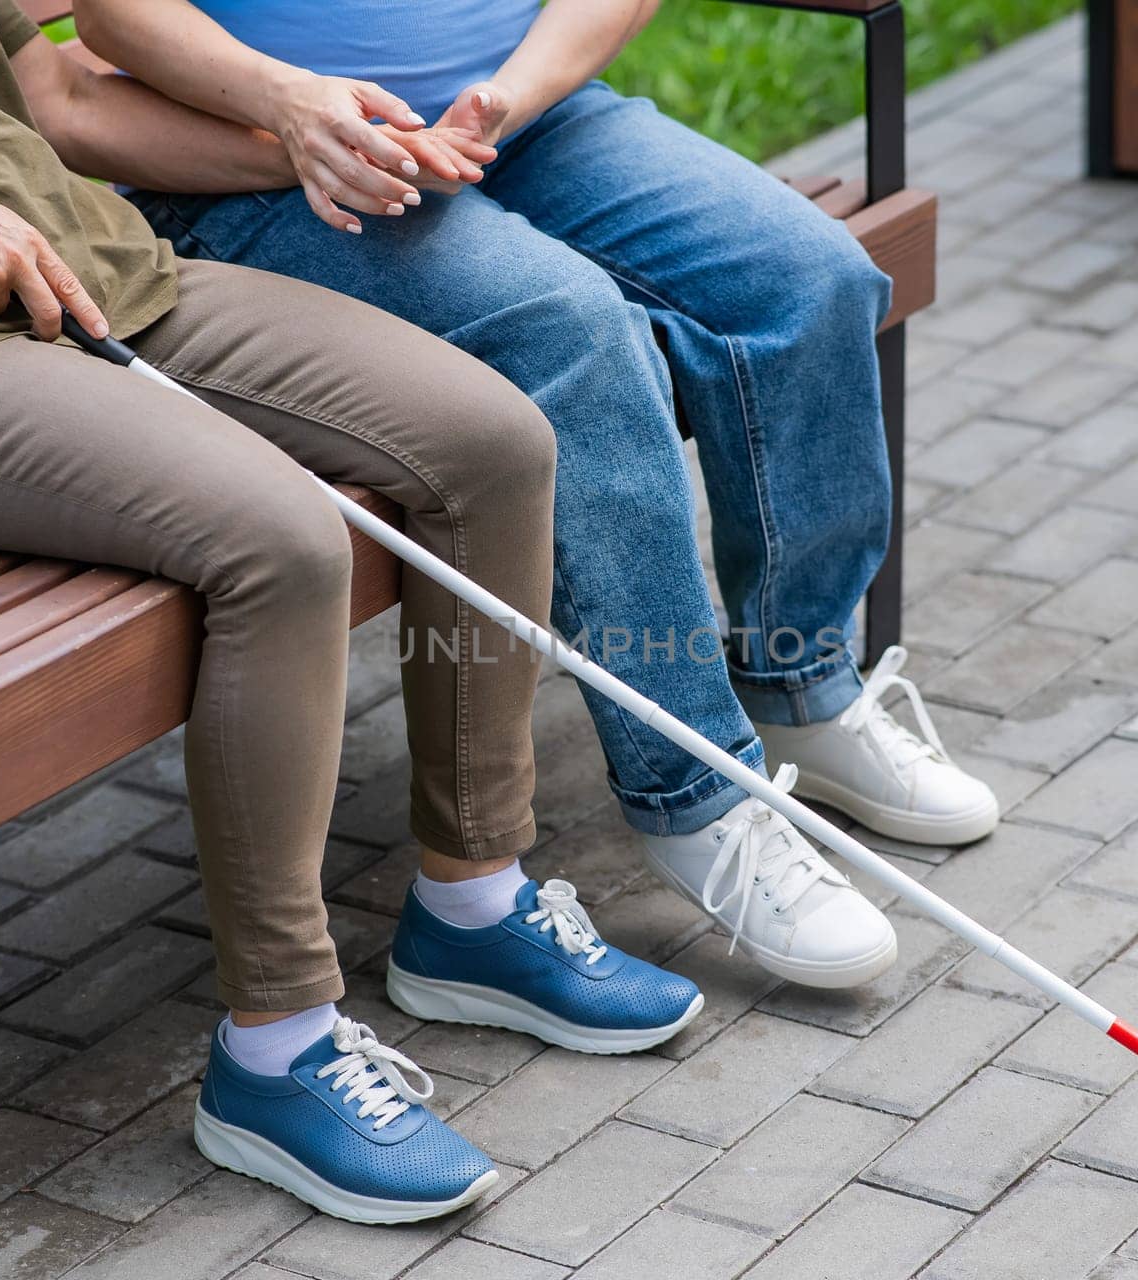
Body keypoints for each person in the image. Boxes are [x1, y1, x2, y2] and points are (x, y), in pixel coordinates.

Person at [0, 0, 702, 1224]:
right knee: (280, 541)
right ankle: (276, 1050)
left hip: (96, 269)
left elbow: (60, 100)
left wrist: (314, 143)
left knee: (490, 443)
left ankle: (472, 906)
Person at [73, 0, 1004, 992]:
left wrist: (507, 99)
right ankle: (697, 794)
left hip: (530, 119)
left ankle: (800, 684)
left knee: (806, 281)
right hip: (276, 165)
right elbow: (112, 15)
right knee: (578, 341)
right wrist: (292, 103)